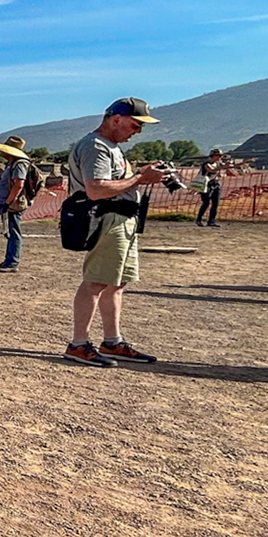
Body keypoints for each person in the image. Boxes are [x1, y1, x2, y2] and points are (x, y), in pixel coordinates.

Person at [63, 98, 172, 367]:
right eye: (135, 125)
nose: (138, 132)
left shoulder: (109, 147)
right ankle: (78, 344)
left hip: (121, 219)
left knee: (116, 283)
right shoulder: (96, 146)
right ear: (116, 119)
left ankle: (112, 341)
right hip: (106, 218)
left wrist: (143, 175)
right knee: (95, 282)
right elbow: (96, 189)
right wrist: (140, 178)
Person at [0, 136, 33, 271]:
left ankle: (12, 262)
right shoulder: (13, 163)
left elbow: (19, 184)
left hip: (13, 204)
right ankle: (9, 260)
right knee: (10, 232)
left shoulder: (20, 164)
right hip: (8, 203)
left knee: (14, 232)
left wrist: (7, 203)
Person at [197, 148, 228, 227]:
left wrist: (243, 162)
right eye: (219, 155)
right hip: (206, 185)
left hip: (216, 184)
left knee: (215, 203)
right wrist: (224, 166)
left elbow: (230, 166)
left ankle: (211, 221)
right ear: (213, 156)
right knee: (206, 203)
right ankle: (199, 219)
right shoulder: (206, 164)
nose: (220, 157)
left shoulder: (218, 163)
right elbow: (212, 170)